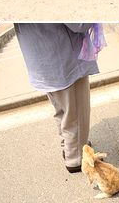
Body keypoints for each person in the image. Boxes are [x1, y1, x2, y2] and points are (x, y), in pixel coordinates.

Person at [12, 23, 104, 173]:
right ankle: (76, 157)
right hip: (62, 55)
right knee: (76, 111)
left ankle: (68, 146)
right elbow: (78, 24)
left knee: (62, 109)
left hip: (41, 56)